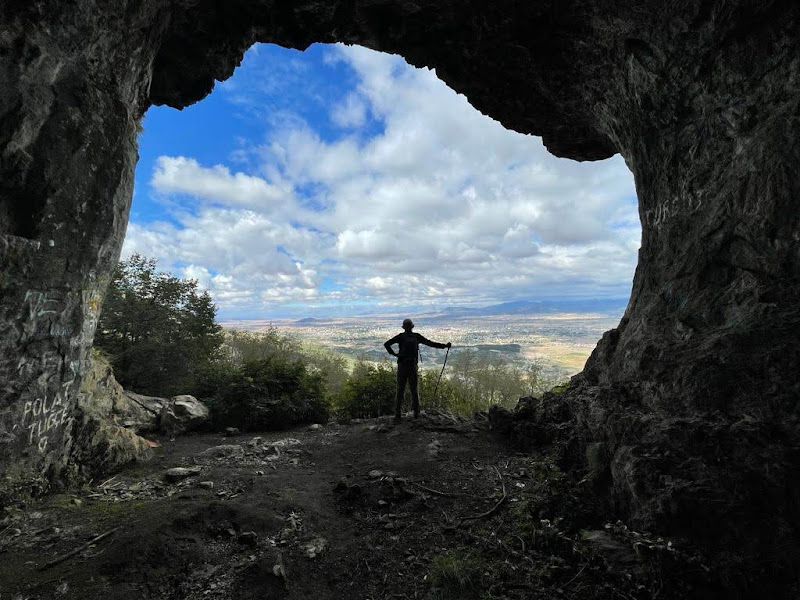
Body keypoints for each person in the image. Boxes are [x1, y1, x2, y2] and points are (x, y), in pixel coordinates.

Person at [384, 318, 451, 420]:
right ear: (412, 327)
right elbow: (430, 343)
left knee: (400, 390)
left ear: (404, 327)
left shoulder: (401, 337)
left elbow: (387, 344)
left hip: (402, 366)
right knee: (414, 391)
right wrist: (444, 346)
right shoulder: (416, 336)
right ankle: (416, 414)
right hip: (412, 367)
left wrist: (395, 355)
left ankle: (398, 415)